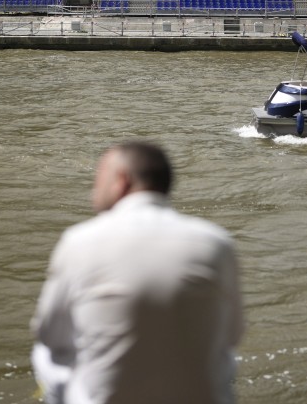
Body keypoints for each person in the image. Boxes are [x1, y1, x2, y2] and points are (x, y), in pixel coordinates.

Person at [31, 141, 244, 404]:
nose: (93, 189)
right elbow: (233, 335)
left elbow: (49, 334)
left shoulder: (79, 240)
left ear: (121, 181)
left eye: (98, 179)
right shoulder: (216, 242)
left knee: (45, 353)